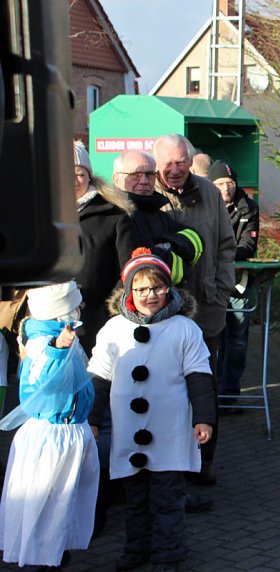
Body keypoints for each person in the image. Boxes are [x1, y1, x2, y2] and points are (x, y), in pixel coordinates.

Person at [87, 250, 217, 572]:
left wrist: (204, 418)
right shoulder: (113, 329)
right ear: (129, 291)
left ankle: (168, 555)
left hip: (169, 430)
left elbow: (200, 377)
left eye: (158, 287)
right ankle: (137, 548)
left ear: (168, 288)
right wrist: (92, 419)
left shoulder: (184, 329)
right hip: (128, 431)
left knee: (167, 497)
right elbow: (98, 379)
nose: (150, 295)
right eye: (141, 289)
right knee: (134, 497)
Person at [153, 134, 236, 485]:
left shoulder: (209, 194)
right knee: (163, 387)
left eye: (181, 162)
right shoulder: (146, 194)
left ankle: (203, 462)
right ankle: (165, 463)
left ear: (190, 160)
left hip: (206, 307)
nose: (175, 170)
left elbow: (227, 245)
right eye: (167, 164)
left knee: (204, 386)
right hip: (160, 312)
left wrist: (222, 287)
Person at [0, 281, 98, 569]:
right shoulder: (43, 343)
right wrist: (57, 349)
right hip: (53, 439)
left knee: (64, 506)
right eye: (75, 304)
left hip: (70, 434)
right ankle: (41, 561)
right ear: (60, 311)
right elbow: (44, 382)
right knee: (45, 508)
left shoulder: (61, 337)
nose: (81, 307)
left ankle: (55, 556)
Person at [74, 140, 137, 354]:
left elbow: (130, 269)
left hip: (97, 325)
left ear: (89, 176)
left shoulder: (114, 215)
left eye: (80, 174)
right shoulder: (44, 216)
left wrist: (107, 312)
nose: (73, 180)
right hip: (52, 322)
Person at [208, 160, 259, 411]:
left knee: (237, 340)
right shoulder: (205, 206)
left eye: (229, 183)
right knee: (212, 339)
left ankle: (230, 394)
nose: (226, 188)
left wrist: (221, 253)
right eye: (220, 184)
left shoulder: (248, 208)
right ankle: (210, 395)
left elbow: (248, 246)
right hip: (211, 282)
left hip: (239, 283)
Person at [115, 150, 204, 285]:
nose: (144, 181)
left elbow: (197, 240)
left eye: (149, 174)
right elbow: (144, 265)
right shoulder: (115, 216)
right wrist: (180, 261)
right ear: (116, 179)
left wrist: (168, 245)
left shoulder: (158, 214)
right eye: (135, 175)